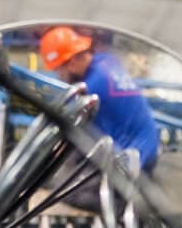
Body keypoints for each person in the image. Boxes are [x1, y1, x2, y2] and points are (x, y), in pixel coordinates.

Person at [40, 26, 160, 173]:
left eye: (58, 70)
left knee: (78, 190)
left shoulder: (92, 89)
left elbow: (71, 132)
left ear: (71, 63)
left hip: (133, 159)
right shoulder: (106, 61)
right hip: (147, 145)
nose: (59, 76)